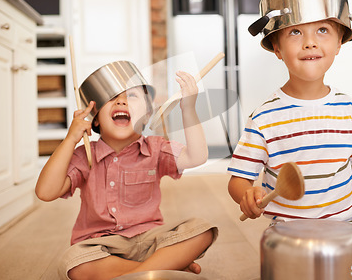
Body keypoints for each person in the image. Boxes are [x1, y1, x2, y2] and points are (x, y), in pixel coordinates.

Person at [227, 0, 352, 280]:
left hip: (350, 232)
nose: (310, 42)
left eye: (322, 30)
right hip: (289, 238)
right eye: (295, 32)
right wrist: (247, 194)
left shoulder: (349, 109)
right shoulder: (264, 117)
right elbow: (238, 179)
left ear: (339, 43)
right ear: (277, 48)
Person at [35, 62, 217, 280]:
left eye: (131, 96)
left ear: (147, 115)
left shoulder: (156, 148)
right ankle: (159, 269)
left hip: (151, 239)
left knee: (202, 229)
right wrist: (70, 139)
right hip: (102, 246)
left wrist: (188, 108)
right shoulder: (84, 156)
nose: (121, 100)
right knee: (73, 261)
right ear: (94, 119)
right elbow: (45, 192)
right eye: (111, 97)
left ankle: (134, 274)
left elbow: (197, 157)